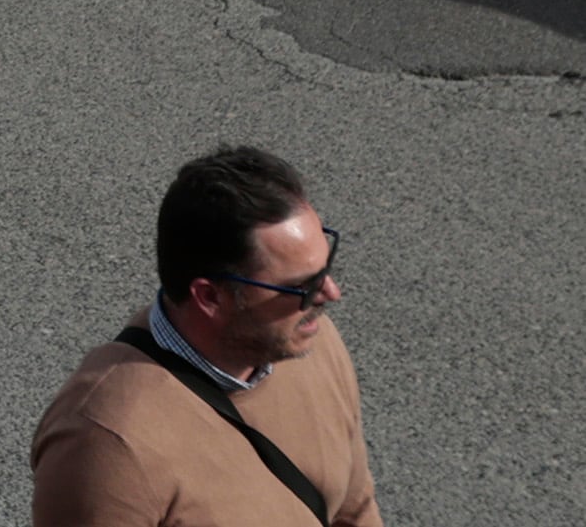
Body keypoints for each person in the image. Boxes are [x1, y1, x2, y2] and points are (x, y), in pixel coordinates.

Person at [29, 145, 378, 527]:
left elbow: (354, 509)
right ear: (210, 297)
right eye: (302, 287)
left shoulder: (311, 343)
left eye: (324, 267)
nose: (331, 293)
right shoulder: (107, 443)